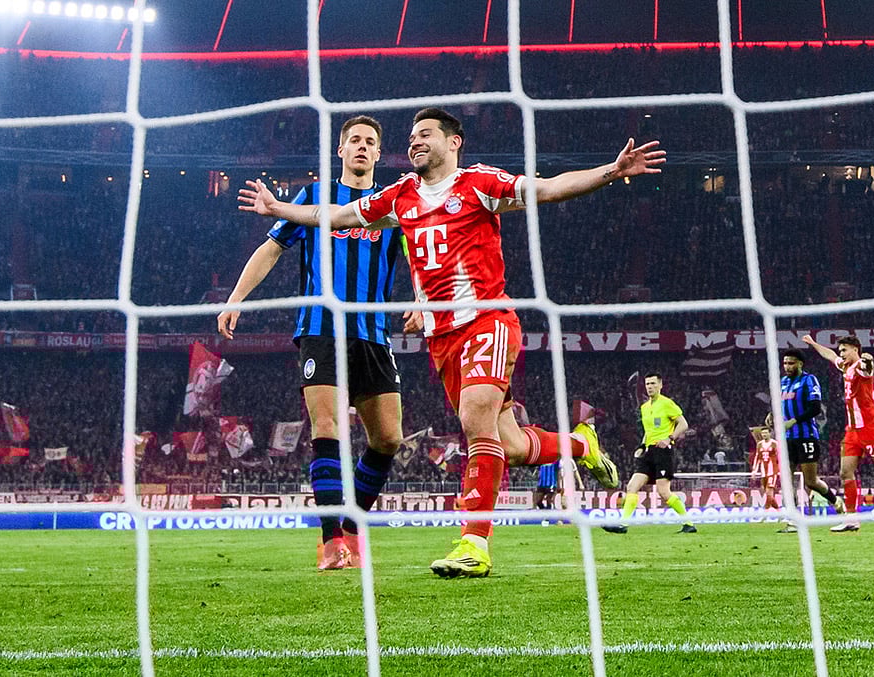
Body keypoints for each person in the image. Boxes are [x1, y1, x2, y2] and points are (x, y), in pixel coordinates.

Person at [239, 107, 665, 577]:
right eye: (411, 136)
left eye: (425, 135)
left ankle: (473, 543)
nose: (415, 142)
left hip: (487, 319)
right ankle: (580, 445)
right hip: (442, 339)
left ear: (453, 142)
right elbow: (334, 213)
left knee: (473, 418)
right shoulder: (399, 198)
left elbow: (547, 189)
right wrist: (278, 209)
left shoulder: (480, 184)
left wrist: (610, 171)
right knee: (512, 445)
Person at [219, 115, 420, 570]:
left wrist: (423, 301)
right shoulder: (313, 198)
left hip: (372, 333)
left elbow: (420, 257)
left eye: (371, 142)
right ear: (341, 151)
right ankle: (331, 542)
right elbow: (271, 248)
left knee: (388, 438)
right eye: (354, 141)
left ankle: (351, 527)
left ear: (379, 152)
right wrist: (235, 300)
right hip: (321, 329)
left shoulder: (395, 205)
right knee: (327, 428)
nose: (363, 147)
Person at [803, 335, 874, 532]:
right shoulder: (845, 366)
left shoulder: (862, 368)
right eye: (841, 351)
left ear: (855, 349)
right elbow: (830, 355)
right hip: (852, 430)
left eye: (845, 350)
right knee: (845, 472)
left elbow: (868, 367)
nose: (842, 354)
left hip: (871, 428)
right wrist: (813, 344)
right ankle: (851, 518)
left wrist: (868, 360)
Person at [605, 372, 695, 534]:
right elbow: (649, 431)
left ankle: (689, 523)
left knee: (664, 492)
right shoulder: (644, 407)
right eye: (647, 384)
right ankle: (623, 525)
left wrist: (670, 438)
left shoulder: (667, 403)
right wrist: (641, 445)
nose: (650, 387)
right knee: (632, 486)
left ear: (661, 385)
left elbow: (684, 424)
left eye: (653, 384)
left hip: (663, 452)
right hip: (648, 452)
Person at [768, 348, 844, 533]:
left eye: (791, 363)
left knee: (811, 481)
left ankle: (836, 501)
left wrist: (793, 421)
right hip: (787, 439)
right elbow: (780, 405)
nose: (787, 366)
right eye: (785, 363)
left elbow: (815, 408)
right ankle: (793, 520)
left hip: (806, 436)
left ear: (800, 364)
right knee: (786, 480)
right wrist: (771, 414)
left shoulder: (809, 380)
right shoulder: (783, 383)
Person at [752, 427, 781, 514]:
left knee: (769, 491)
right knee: (768, 494)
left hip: (773, 471)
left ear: (770, 434)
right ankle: (779, 512)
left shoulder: (775, 444)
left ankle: (765, 513)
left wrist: (781, 469)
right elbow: (757, 458)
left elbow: (780, 457)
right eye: (763, 433)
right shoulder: (759, 444)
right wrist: (754, 470)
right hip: (763, 472)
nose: (764, 435)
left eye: (766, 433)